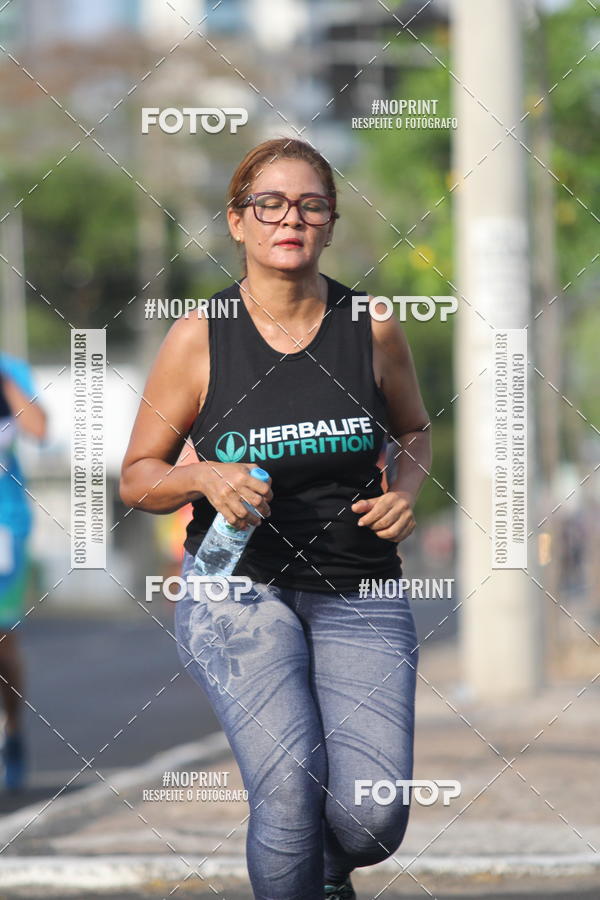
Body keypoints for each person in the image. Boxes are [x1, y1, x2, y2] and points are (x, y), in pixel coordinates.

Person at [120, 137, 431, 900]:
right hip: (236, 587)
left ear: (329, 224)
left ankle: (326, 877)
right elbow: (138, 477)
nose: (290, 218)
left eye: (310, 205)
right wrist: (202, 475)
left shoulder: (372, 325)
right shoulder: (200, 336)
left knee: (370, 818)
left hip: (359, 585)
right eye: (270, 204)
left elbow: (415, 431)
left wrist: (406, 489)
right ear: (237, 221)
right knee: (289, 788)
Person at [0, 356, 47, 790]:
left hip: (4, 528)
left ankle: (12, 733)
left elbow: (38, 428)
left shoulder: (10, 370)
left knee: (2, 641)